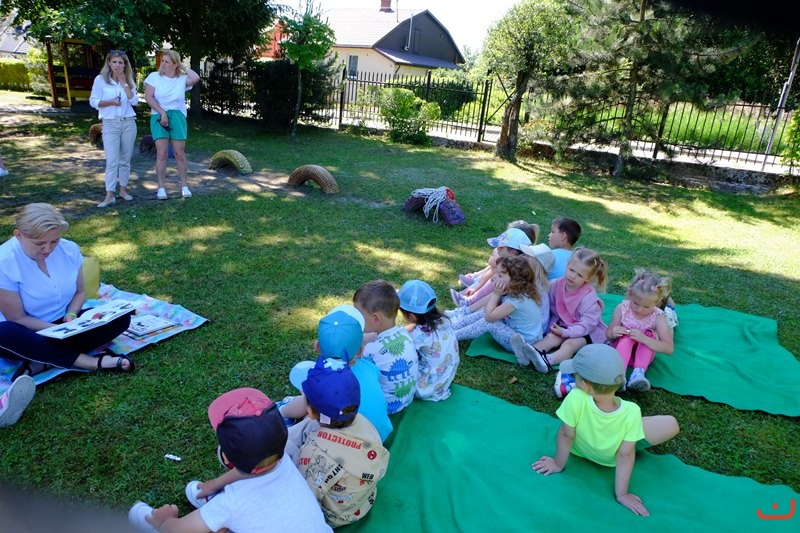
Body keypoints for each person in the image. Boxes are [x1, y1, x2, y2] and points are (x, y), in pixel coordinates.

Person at [128, 388, 332, 533]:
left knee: (216, 525)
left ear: (225, 457)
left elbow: (176, 530)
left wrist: (166, 520)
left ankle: (154, 521)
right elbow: (251, 470)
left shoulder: (231, 503)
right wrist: (214, 484)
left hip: (229, 510)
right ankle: (211, 505)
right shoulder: (282, 459)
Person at [532, 344, 680, 517]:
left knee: (646, 425)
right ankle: (630, 431)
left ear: (585, 385)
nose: (574, 379)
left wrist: (558, 464)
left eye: (575, 376)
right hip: (612, 455)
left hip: (581, 449)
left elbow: (566, 434)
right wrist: (622, 494)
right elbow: (625, 454)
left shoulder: (575, 398)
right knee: (671, 424)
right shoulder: (632, 411)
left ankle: (628, 430)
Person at [0, 203, 133, 376]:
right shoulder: (4, 261)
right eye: (39, 243)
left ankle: (43, 361)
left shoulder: (69, 249)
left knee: (120, 318)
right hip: (27, 330)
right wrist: (58, 331)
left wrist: (71, 315)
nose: (48, 249)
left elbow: (80, 292)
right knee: (4, 332)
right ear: (19, 235)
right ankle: (93, 362)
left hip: (66, 322)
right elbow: (18, 318)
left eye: (54, 241)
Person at [281, 304, 393, 442]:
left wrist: (283, 410)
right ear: (360, 350)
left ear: (317, 347)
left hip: (346, 443)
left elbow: (302, 406)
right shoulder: (370, 367)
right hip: (378, 437)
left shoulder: (322, 380)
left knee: (310, 416)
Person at [515, 247, 608, 375]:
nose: (573, 276)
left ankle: (547, 360)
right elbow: (548, 305)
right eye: (571, 270)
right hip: (564, 326)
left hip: (586, 332)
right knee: (551, 337)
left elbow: (587, 324)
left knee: (569, 344)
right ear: (567, 265)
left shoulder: (589, 298)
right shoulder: (557, 284)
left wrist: (566, 332)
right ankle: (529, 352)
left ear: (588, 278)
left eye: (580, 275)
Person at [450, 255, 546, 354]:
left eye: (500, 275)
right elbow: (487, 311)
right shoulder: (514, 291)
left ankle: (451, 337)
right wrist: (496, 294)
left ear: (515, 281)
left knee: (489, 323)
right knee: (484, 313)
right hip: (516, 332)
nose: (494, 276)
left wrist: (496, 294)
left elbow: (489, 318)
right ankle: (452, 327)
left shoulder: (516, 299)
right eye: (496, 272)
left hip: (523, 344)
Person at [353, 279, 418, 415]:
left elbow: (349, 361)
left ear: (376, 319)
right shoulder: (404, 334)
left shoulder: (370, 350)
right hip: (405, 400)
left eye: (359, 316)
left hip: (383, 407)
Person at [143, 50, 200, 200]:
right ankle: (161, 188)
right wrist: (162, 113)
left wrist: (182, 66)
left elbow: (195, 78)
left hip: (177, 116)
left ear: (175, 64)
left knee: (179, 153)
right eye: (162, 61)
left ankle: (184, 186)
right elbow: (148, 97)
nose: (163, 64)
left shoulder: (181, 79)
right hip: (158, 115)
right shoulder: (154, 77)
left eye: (167, 62)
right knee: (161, 153)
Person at [607, 269, 675, 392]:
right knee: (627, 336)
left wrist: (644, 339)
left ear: (657, 302)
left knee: (648, 334)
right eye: (635, 303)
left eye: (646, 306)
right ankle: (619, 374)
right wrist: (613, 333)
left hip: (643, 357)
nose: (639, 310)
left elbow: (669, 348)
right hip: (620, 351)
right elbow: (608, 335)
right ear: (630, 294)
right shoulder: (622, 308)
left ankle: (638, 374)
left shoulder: (658, 316)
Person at [89, 50, 139, 208]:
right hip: (110, 123)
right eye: (114, 62)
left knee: (125, 160)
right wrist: (109, 102)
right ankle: (109, 195)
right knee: (112, 161)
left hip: (128, 123)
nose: (117, 65)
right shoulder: (100, 80)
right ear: (109, 63)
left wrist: (124, 82)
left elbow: (135, 101)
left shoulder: (129, 80)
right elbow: (93, 101)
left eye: (120, 62)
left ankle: (123, 190)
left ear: (125, 65)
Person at [398, 280, 460, 401]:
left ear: (412, 317)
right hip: (447, 377)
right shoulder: (444, 320)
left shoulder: (417, 335)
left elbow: (400, 342)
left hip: (425, 389)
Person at [451, 224, 536, 308]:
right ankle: (468, 303)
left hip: (505, 312)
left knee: (497, 281)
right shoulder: (512, 264)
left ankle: (468, 303)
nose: (497, 248)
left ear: (514, 252)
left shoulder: (518, 273)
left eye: (501, 247)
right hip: (500, 306)